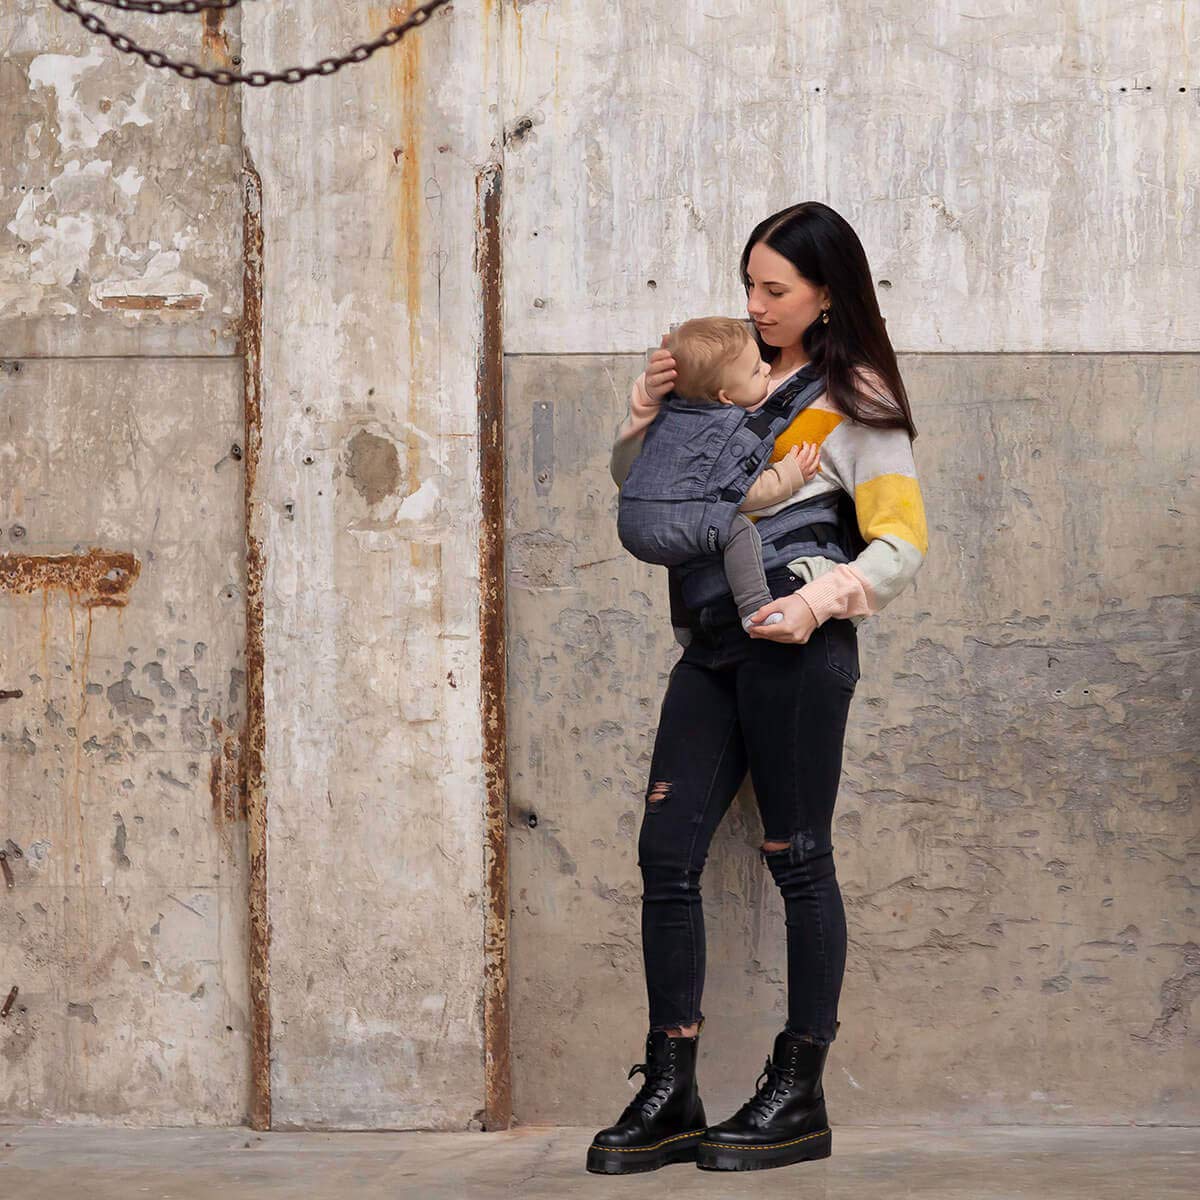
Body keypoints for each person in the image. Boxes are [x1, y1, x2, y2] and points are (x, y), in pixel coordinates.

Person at [586, 201, 929, 1176]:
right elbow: (653, 489)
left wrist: (818, 604)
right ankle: (671, 1089)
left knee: (800, 857)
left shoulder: (853, 397)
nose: (756, 305)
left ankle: (799, 1090)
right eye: (749, 284)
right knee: (666, 856)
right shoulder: (723, 377)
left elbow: (902, 540)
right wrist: (645, 413)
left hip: (795, 650)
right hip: (709, 646)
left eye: (775, 289)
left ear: (827, 294)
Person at [616, 315, 823, 634]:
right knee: (735, 530)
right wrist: (789, 476)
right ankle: (754, 607)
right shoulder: (728, 430)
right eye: (755, 371)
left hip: (633, 523)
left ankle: (684, 625)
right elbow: (735, 494)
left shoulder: (670, 415)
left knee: (688, 549)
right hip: (675, 522)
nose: (767, 369)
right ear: (725, 397)